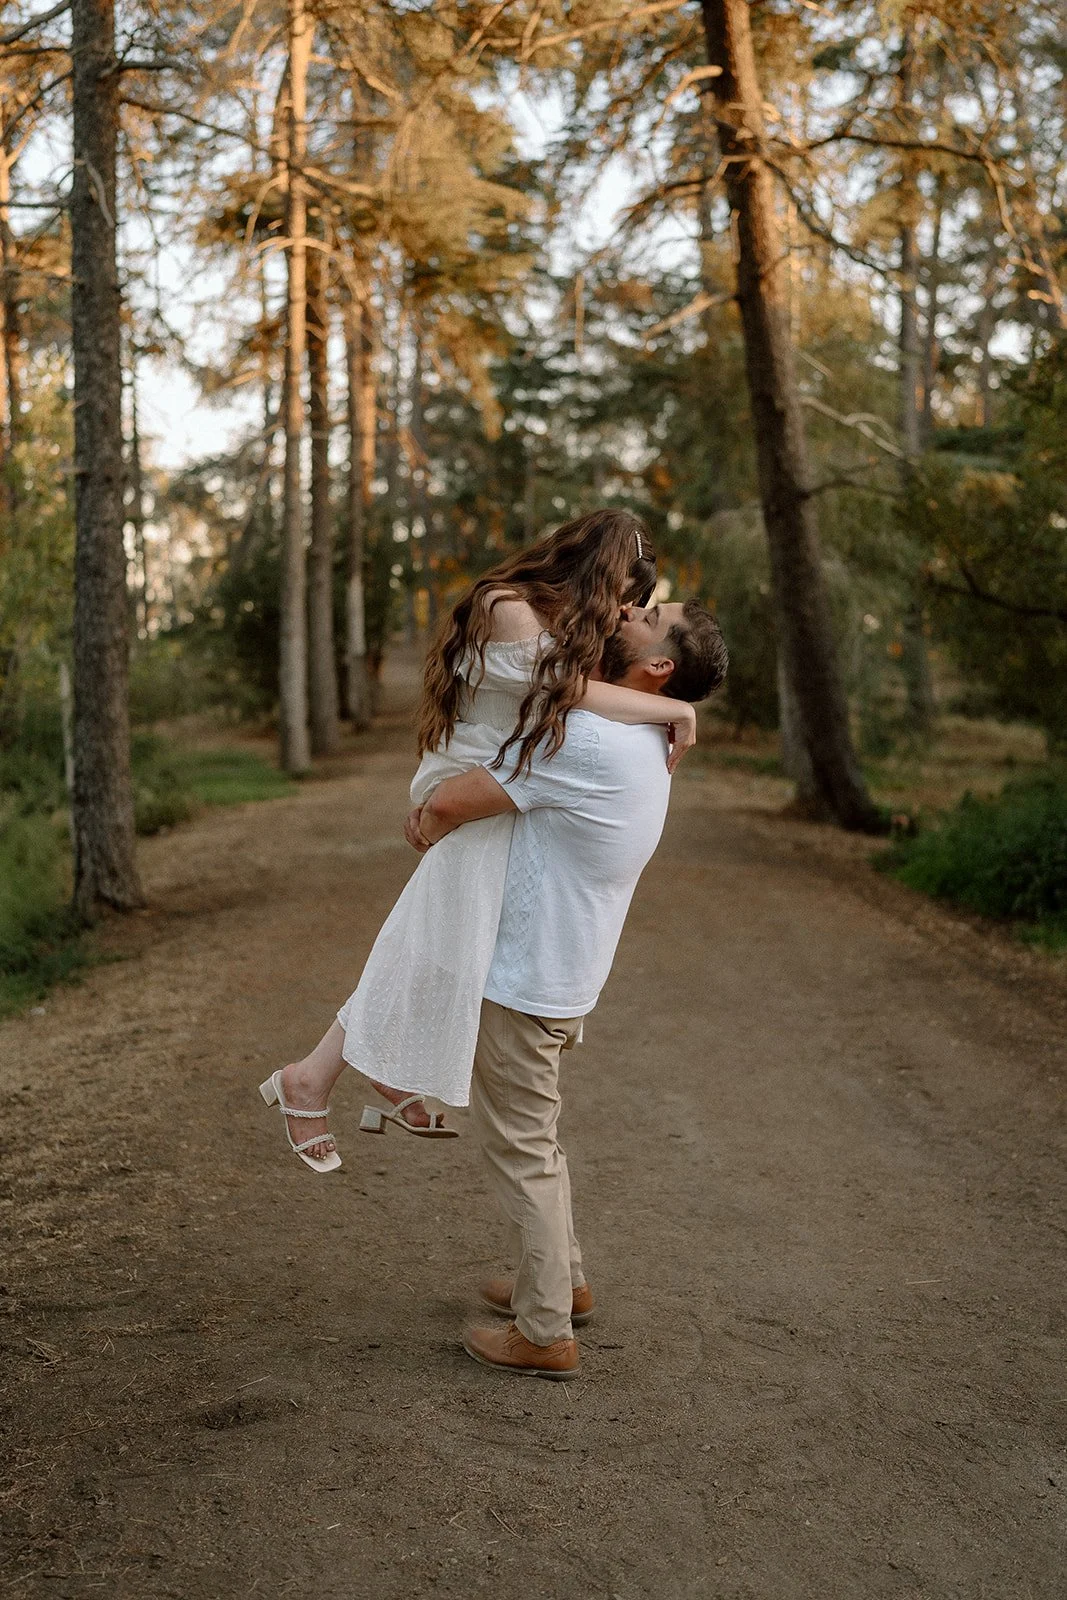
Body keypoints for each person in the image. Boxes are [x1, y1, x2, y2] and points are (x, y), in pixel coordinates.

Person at [261, 510, 702, 1170]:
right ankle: (314, 1078)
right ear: (597, 571)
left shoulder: (546, 617)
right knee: (436, 939)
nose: (618, 612)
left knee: (441, 936)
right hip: (471, 777)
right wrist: (676, 707)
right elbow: (572, 697)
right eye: (620, 595)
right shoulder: (509, 608)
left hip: (499, 782)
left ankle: (355, 1073)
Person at [404, 598, 727, 1377]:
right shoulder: (643, 735)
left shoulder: (586, 738)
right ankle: (562, 1281)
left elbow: (451, 803)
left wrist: (426, 818)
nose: (628, 610)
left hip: (526, 978)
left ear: (657, 666)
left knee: (521, 1151)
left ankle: (543, 1330)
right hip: (562, 971)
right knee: (535, 1139)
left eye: (648, 615)